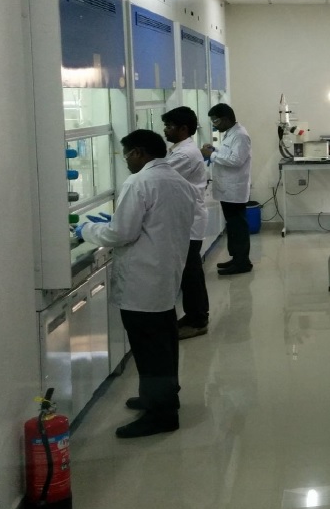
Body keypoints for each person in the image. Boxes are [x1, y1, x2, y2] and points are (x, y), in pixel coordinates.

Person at [76, 129, 196, 438]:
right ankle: (162, 397)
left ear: (139, 152)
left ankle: (161, 415)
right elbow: (155, 223)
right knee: (163, 344)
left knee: (149, 349)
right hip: (164, 275)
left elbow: (121, 234)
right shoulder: (176, 180)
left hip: (144, 280)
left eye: (126, 155)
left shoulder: (139, 182)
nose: (126, 161)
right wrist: (115, 222)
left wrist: (86, 230)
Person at [162, 106, 211, 340]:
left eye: (169, 126)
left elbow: (159, 178)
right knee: (191, 272)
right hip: (187, 219)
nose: (165, 130)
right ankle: (195, 315)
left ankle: (198, 320)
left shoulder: (184, 155)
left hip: (189, 222)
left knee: (190, 273)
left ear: (183, 129)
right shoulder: (182, 150)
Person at [202, 103, 253, 275]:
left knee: (238, 227)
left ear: (225, 119)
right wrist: (215, 150)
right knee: (233, 226)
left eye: (215, 121)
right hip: (228, 189)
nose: (214, 124)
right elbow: (230, 154)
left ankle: (242, 262)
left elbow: (236, 160)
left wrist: (212, 155)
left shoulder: (240, 135)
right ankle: (237, 259)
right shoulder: (231, 134)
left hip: (234, 190)